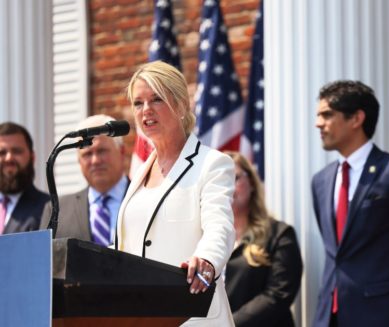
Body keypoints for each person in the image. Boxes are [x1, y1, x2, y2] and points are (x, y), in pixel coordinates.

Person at [116, 60, 236, 326]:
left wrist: (207, 259)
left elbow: (220, 227)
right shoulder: (139, 173)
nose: (146, 110)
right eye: (138, 103)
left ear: (181, 105)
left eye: (156, 99)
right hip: (139, 317)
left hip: (192, 314)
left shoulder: (212, 164)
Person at [312, 80, 389, 326]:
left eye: (327, 115)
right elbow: (336, 253)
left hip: (384, 315)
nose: (318, 123)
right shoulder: (320, 181)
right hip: (329, 316)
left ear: (356, 119)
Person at [224, 151, 303, 327]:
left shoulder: (280, 234)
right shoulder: (203, 239)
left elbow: (278, 295)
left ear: (251, 182)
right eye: (219, 181)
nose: (226, 187)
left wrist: (228, 324)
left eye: (234, 178)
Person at [40, 114, 129, 246]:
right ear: (79, 160)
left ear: (121, 152)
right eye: (87, 154)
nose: (95, 161)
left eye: (102, 151)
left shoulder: (145, 199)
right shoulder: (56, 210)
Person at [0, 122, 49, 235]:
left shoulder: (49, 209)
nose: (9, 158)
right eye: (2, 152)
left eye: (17, 151)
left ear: (32, 157)